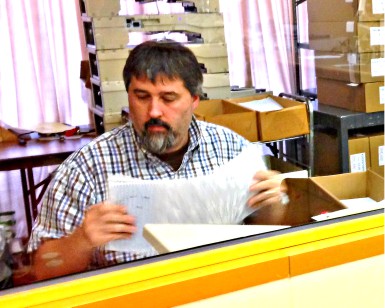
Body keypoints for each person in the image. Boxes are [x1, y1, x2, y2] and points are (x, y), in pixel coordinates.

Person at [28, 40, 287, 280]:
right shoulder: (86, 168)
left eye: (168, 98)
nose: (153, 111)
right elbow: (41, 269)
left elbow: (267, 235)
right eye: (141, 97)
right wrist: (82, 240)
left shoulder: (233, 150)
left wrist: (272, 205)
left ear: (195, 100)